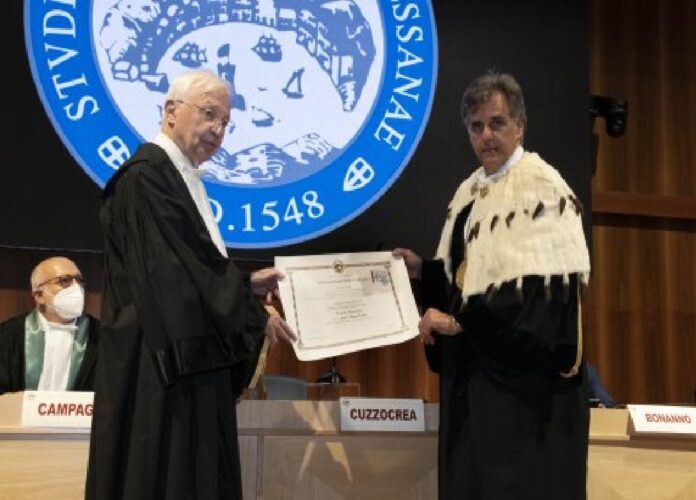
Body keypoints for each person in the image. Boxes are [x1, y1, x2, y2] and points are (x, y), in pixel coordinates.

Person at [85, 70, 296, 500]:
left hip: (183, 365)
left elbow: (191, 266)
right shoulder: (147, 177)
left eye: (226, 122)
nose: (218, 129)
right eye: (209, 114)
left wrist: (244, 287)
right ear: (170, 112)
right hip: (160, 371)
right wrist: (249, 311)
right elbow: (173, 276)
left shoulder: (177, 177)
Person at [394, 72, 591, 499]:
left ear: (519, 126)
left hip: (525, 401)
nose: (486, 135)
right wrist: (424, 272)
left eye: (497, 123)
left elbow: (543, 305)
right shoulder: (468, 194)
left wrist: (462, 323)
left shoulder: (542, 189)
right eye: (476, 126)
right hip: (474, 385)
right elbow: (467, 280)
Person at [0, 256, 98, 394]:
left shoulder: (100, 337)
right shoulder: (8, 336)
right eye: (64, 280)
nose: (76, 288)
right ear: (40, 295)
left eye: (79, 280)